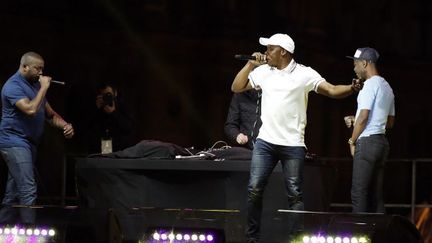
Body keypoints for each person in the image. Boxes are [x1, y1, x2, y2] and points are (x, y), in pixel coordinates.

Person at [231, 33, 362, 242]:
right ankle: (252, 238)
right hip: (265, 142)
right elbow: (236, 87)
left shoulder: (304, 74)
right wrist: (249, 65)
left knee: (295, 194)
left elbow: (331, 90)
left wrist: (352, 88)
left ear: (283, 51)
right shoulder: (264, 71)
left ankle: (295, 238)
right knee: (254, 189)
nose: (266, 53)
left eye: (270, 48)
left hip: (292, 144)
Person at [0, 51, 74, 224]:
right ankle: (30, 235)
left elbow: (49, 114)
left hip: (28, 144)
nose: (41, 73)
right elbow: (31, 110)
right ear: (24, 67)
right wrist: (44, 87)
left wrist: (65, 125)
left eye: (42, 69)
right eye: (37, 69)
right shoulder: (13, 86)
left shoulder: (34, 85)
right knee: (28, 188)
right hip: (14, 142)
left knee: (13, 194)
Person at [345, 47, 395, 213]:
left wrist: (352, 141)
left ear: (364, 63)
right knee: (376, 195)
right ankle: (380, 235)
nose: (354, 68)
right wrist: (356, 118)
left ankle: (360, 235)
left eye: (355, 64)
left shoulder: (369, 85)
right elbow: (389, 122)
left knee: (359, 193)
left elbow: (364, 117)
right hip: (381, 143)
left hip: (366, 143)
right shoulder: (386, 87)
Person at [86, 82, 136, 154]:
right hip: (101, 149)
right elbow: (89, 128)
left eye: (108, 95)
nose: (106, 98)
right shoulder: (97, 108)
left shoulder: (123, 106)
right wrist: (95, 109)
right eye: (103, 95)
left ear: (115, 94)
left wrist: (113, 113)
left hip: (120, 150)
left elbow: (129, 127)